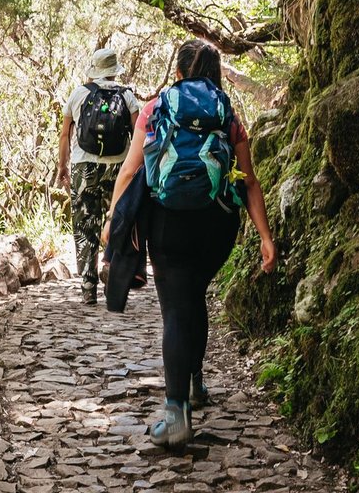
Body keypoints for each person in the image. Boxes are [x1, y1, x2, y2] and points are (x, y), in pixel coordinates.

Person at [103, 39, 276, 452]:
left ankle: (176, 415)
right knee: (194, 295)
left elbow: (129, 172)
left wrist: (113, 222)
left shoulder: (156, 107)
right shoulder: (227, 115)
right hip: (218, 225)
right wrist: (266, 238)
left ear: (178, 72)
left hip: (168, 224)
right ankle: (195, 380)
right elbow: (249, 180)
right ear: (215, 74)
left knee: (177, 309)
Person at [55, 47, 142, 304]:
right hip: (119, 168)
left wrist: (62, 167)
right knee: (117, 220)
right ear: (115, 71)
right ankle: (111, 268)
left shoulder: (79, 94)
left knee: (84, 227)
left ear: (94, 70)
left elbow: (65, 135)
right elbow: (138, 136)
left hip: (84, 168)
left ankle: (87, 287)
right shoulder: (127, 97)